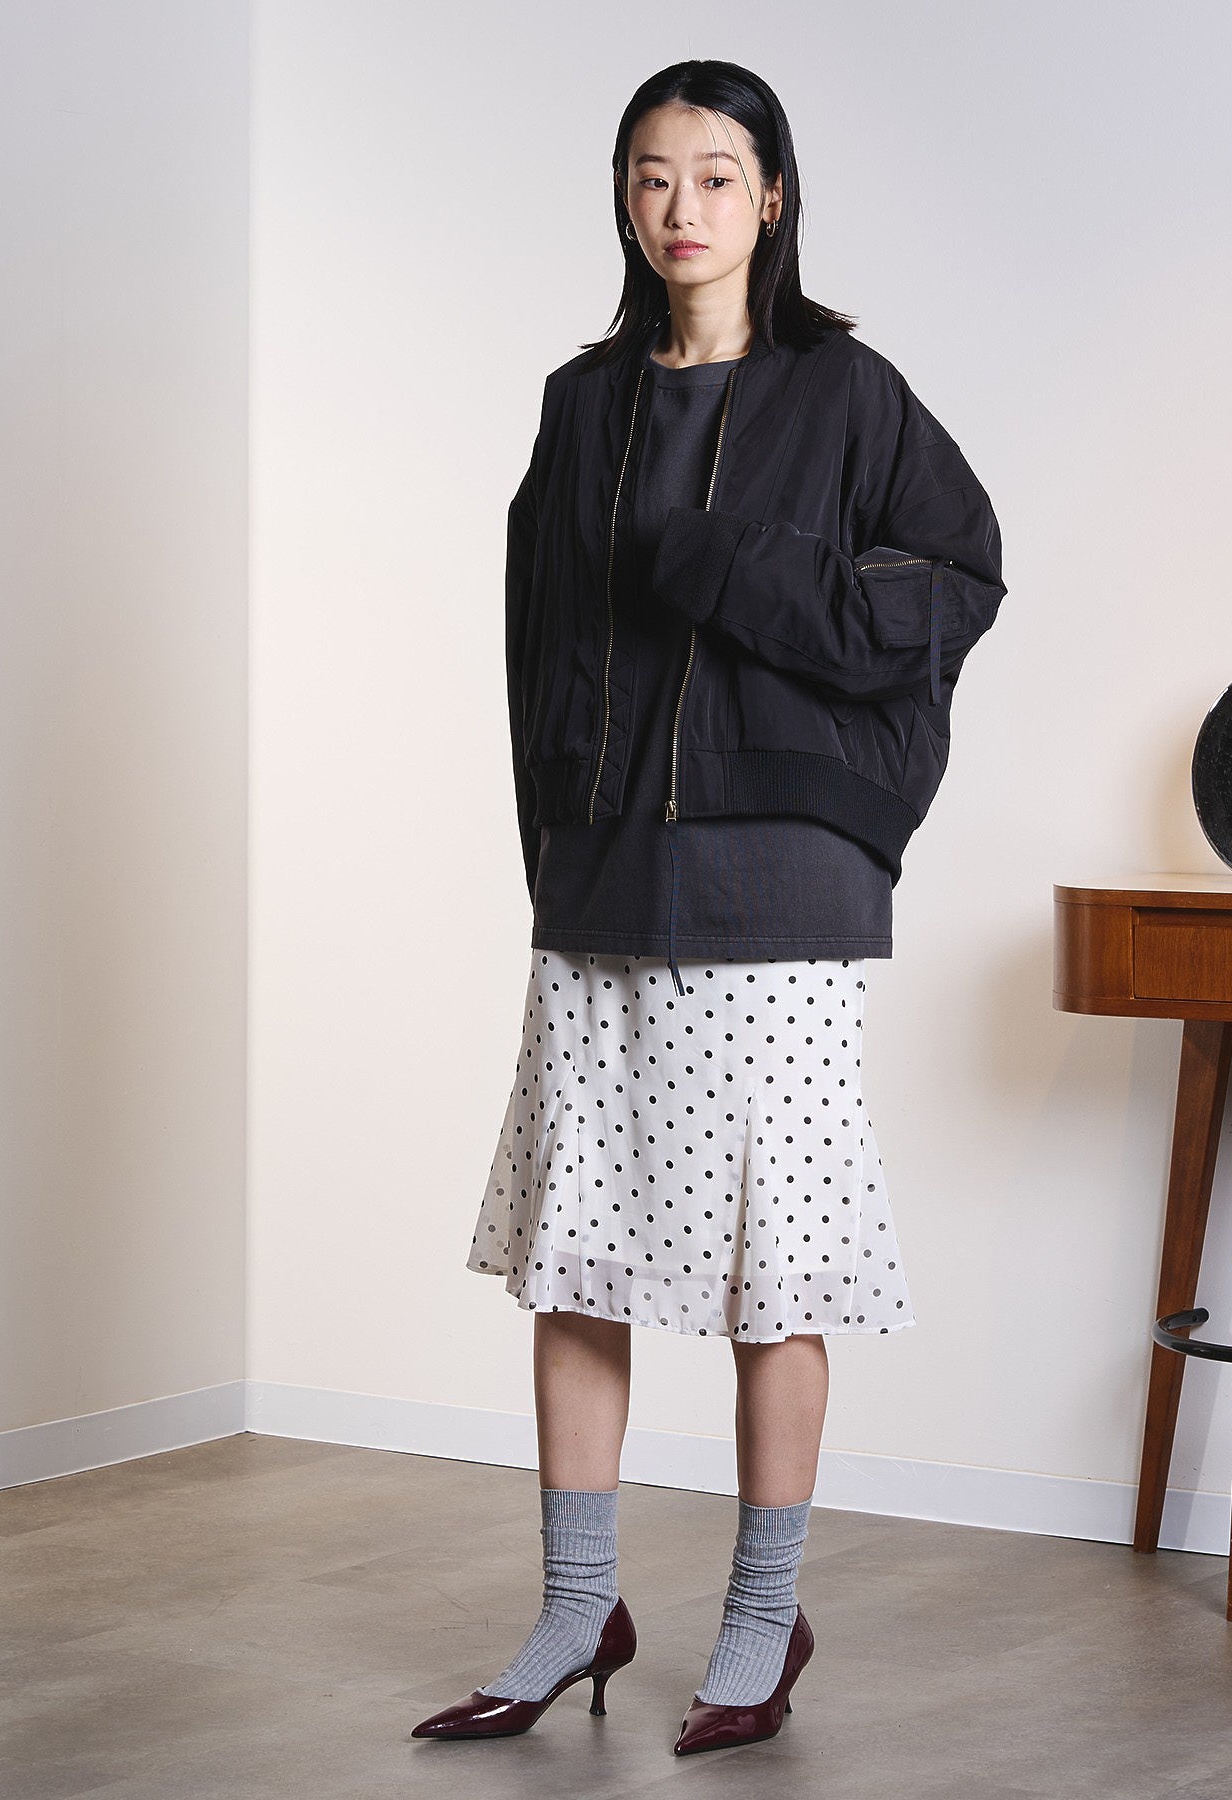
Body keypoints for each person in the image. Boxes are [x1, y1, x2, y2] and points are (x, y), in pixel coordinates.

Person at [411, 57, 1006, 1756]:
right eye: (653, 175)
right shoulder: (581, 403)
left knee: (776, 1263)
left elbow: (954, 585)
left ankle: (763, 1617)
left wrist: (729, 564)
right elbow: (536, 647)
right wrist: (552, 841)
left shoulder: (848, 393)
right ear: (625, 197)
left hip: (780, 877)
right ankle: (576, 1603)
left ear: (774, 198)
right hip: (602, 871)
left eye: (718, 175)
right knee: (574, 1252)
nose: (683, 208)